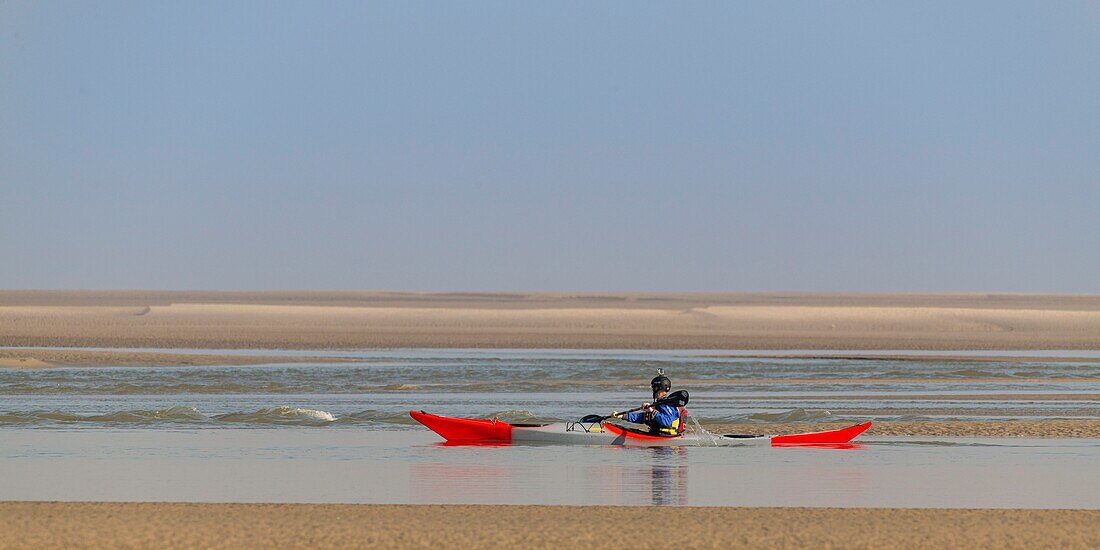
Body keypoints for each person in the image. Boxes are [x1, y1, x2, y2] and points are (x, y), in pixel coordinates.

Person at [612, 370, 686, 435]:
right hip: (657, 435)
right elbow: (642, 418)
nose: (653, 390)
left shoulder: (667, 404)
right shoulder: (659, 404)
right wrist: (622, 416)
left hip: (666, 445)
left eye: (653, 388)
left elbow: (667, 422)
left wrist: (652, 411)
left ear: (657, 388)